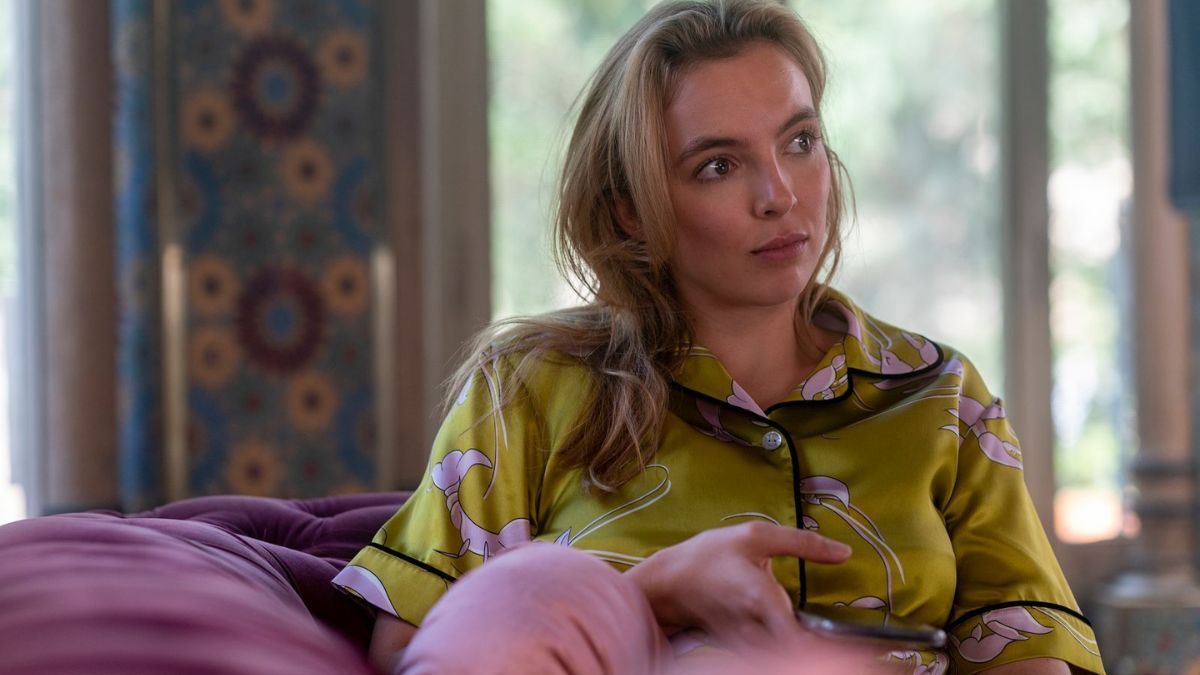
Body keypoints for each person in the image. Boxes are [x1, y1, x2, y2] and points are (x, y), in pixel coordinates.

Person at [333, 1, 1105, 673]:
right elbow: (412, 652)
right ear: (632, 209)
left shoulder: (944, 396)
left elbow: (1028, 654)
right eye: (717, 166)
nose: (779, 195)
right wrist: (652, 595)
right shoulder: (527, 388)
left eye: (799, 141)